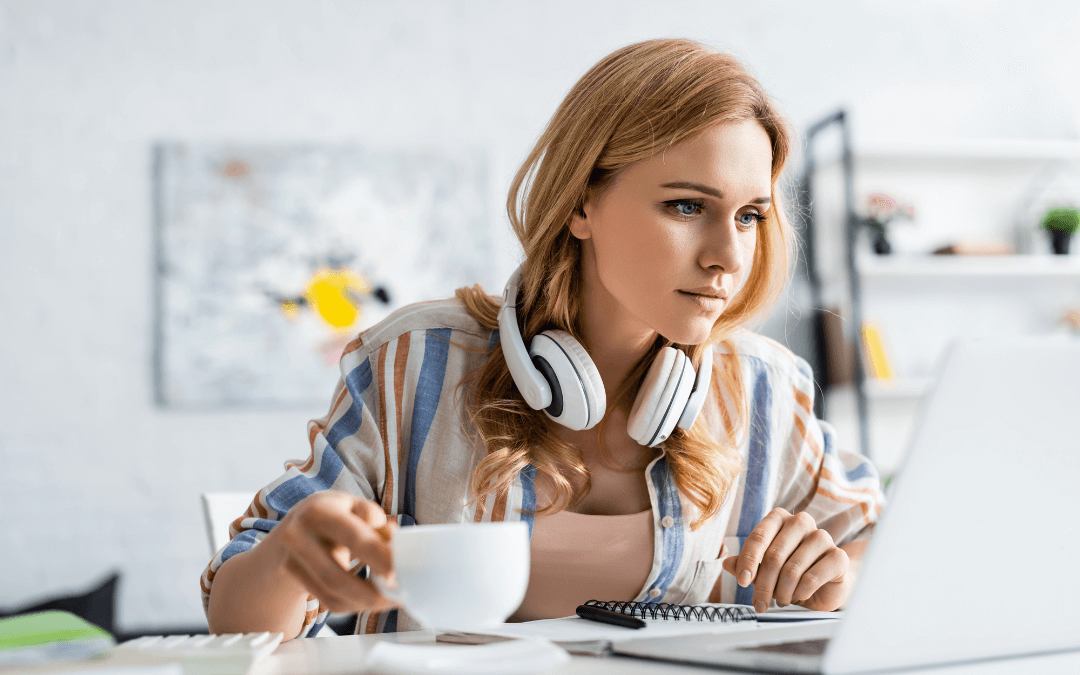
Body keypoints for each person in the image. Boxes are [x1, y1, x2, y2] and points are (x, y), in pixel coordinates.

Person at [202, 38, 884, 639]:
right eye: (686, 206)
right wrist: (295, 550)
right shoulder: (417, 361)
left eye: (749, 216)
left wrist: (838, 573)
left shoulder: (763, 388)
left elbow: (890, 545)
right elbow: (235, 619)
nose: (728, 258)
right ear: (583, 201)